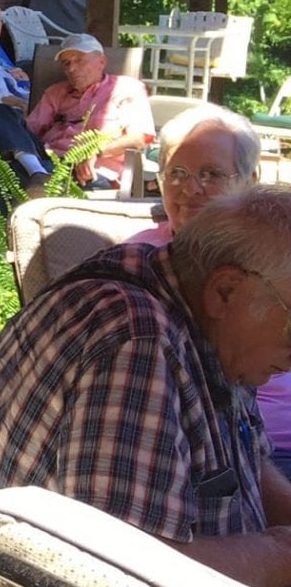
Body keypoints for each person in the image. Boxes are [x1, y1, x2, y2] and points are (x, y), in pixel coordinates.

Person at [0, 184, 291, 587]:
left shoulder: (213, 326)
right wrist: (279, 553)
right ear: (225, 291)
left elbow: (248, 467)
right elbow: (122, 581)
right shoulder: (137, 342)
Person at [125, 107, 291, 481]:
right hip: (248, 454)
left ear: (250, 180)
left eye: (210, 174)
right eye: (177, 173)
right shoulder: (144, 267)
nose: (190, 189)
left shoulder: (281, 248)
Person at [0, 33, 153, 187]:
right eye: (66, 63)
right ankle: (37, 173)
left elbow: (139, 138)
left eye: (79, 60)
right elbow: (29, 130)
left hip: (88, 169)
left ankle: (35, 177)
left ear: (102, 61)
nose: (71, 69)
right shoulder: (56, 92)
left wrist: (93, 152)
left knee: (11, 173)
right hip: (46, 159)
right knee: (1, 112)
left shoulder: (127, 89)